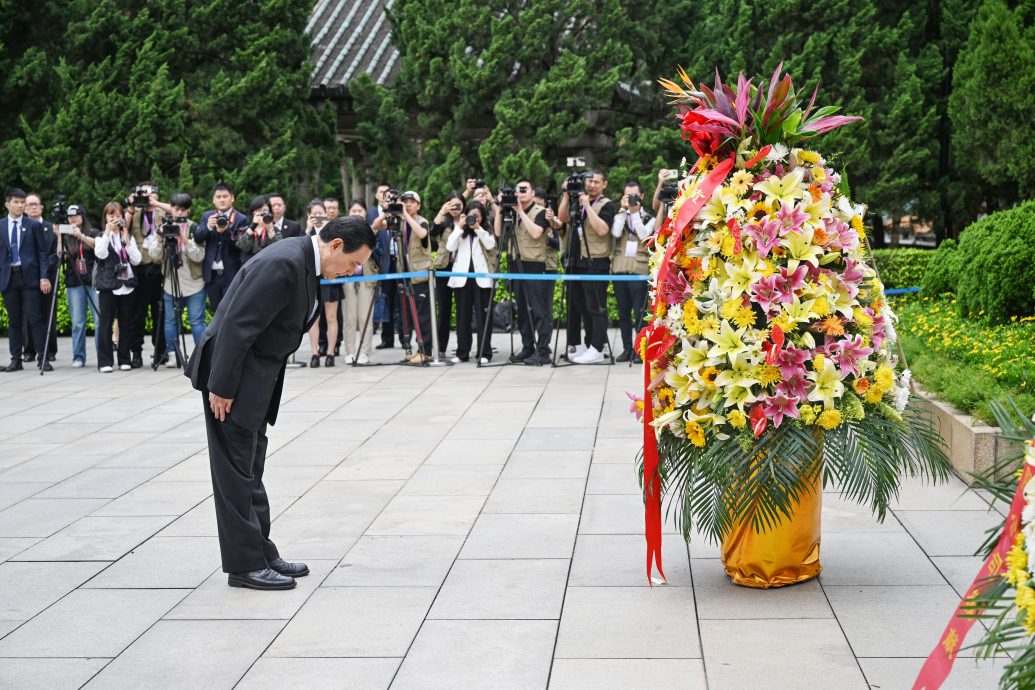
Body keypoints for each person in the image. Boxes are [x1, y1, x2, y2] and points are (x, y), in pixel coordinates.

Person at [185, 216, 375, 590]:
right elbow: (238, 325)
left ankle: (261, 550)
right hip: (233, 380)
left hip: (255, 379)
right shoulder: (284, 263)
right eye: (354, 262)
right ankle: (245, 565)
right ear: (335, 245)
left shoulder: (306, 263)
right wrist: (221, 387)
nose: (353, 270)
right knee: (235, 474)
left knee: (251, 467)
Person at [493, 180, 554, 366]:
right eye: (517, 190)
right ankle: (527, 347)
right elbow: (497, 232)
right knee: (522, 310)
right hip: (515, 264)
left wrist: (520, 211)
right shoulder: (509, 212)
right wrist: (500, 209)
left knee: (539, 310)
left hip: (534, 265)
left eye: (524, 189)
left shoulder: (541, 212)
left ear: (532, 192)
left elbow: (537, 233)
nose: (520, 193)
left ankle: (543, 351)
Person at [558, 169, 615, 364]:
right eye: (589, 181)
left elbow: (602, 230)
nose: (592, 185)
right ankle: (589, 344)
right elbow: (563, 219)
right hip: (575, 260)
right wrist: (566, 197)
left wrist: (587, 206)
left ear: (604, 184)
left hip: (596, 261)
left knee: (596, 306)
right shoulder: (577, 200)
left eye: (597, 182)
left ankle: (598, 348)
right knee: (581, 306)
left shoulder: (606, 205)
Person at [372, 191, 432, 363]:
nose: (409, 204)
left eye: (412, 202)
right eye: (405, 202)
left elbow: (422, 234)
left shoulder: (422, 221)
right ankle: (410, 348)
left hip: (419, 273)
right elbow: (376, 226)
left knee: (422, 315)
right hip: (402, 271)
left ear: (419, 206)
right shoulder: (396, 221)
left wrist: (405, 214)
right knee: (406, 313)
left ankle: (426, 351)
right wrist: (387, 211)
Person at [148, 193, 206, 368]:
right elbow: (154, 256)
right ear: (171, 208)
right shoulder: (163, 228)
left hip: (194, 283)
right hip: (170, 283)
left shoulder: (195, 228)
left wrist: (184, 239)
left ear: (188, 211)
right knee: (170, 321)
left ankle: (201, 355)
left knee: (197, 321)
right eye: (176, 208)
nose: (179, 212)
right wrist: (159, 239)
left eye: (183, 209)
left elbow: (199, 256)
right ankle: (173, 354)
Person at [0, 188, 50, 372]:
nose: (21, 205)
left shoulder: (33, 225)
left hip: (29, 277)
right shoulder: (1, 226)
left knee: (35, 318)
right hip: (8, 277)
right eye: (17, 202)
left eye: (23, 202)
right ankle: (16, 360)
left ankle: (42, 358)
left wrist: (44, 276)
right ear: (7, 204)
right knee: (14, 321)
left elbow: (41, 253)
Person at [94, 201, 143, 373]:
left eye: (118, 215)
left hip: (127, 285)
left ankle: (124, 358)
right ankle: (105, 361)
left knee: (126, 323)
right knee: (106, 324)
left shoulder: (128, 236)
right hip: (108, 286)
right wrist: (108, 231)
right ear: (105, 218)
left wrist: (127, 240)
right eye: (111, 215)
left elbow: (137, 260)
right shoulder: (101, 236)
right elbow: (100, 253)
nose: (115, 218)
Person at [124, 182, 167, 368]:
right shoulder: (135, 213)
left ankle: (160, 352)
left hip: (158, 268)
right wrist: (131, 207)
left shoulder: (162, 212)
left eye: (150, 194)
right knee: (137, 315)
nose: (146, 197)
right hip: (139, 268)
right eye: (142, 194)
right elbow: (122, 228)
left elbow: (177, 211)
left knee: (160, 314)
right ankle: (137, 353)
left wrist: (155, 204)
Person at [611, 181, 655, 363]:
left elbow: (644, 235)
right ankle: (626, 349)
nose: (631, 199)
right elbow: (615, 232)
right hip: (620, 269)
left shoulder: (648, 218)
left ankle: (639, 350)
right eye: (627, 195)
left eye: (634, 196)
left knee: (640, 313)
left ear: (642, 196)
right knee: (623, 313)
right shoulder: (620, 215)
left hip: (639, 270)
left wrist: (635, 213)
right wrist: (623, 211)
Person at [447, 201, 495, 363]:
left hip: (482, 278)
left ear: (482, 217)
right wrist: (460, 227)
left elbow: (490, 244)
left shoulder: (485, 230)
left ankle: (484, 353)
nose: (474, 218)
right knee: (462, 317)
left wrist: (478, 228)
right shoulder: (460, 231)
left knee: (483, 317)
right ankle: (462, 352)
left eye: (477, 216)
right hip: (462, 278)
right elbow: (449, 246)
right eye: (471, 215)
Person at [195, 183, 247, 312]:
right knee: (215, 311)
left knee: (230, 311)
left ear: (232, 198)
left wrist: (226, 231)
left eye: (225, 196)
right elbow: (198, 238)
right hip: (212, 274)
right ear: (213, 200)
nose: (222, 199)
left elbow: (240, 245)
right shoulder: (207, 216)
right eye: (218, 197)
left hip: (231, 273)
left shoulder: (241, 219)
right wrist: (208, 227)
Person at [61, 205, 100, 368]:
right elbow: (59, 257)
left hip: (93, 280)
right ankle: (78, 356)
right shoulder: (65, 235)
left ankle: (102, 355)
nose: (73, 219)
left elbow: (98, 247)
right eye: (69, 217)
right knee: (78, 322)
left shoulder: (93, 232)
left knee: (100, 319)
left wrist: (80, 236)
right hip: (74, 281)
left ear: (83, 216)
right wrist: (59, 237)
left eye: (76, 215)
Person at [340, 199, 379, 364]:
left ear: (365, 213)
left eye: (360, 211)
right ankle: (349, 351)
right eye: (353, 211)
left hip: (366, 278)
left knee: (365, 318)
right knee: (349, 318)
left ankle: (365, 352)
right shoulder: (341, 232)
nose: (357, 214)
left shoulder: (371, 232)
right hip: (347, 278)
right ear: (349, 213)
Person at [302, 200, 340, 367]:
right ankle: (314, 353)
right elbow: (302, 250)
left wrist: (326, 227)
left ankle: (331, 352)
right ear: (309, 215)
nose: (318, 217)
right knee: (314, 319)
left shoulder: (333, 230)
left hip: (330, 277)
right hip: (313, 279)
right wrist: (308, 229)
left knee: (331, 317)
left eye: (320, 213)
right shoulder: (305, 231)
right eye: (314, 214)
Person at [22, 193, 58, 364]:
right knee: (29, 315)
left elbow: (53, 254)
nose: (33, 207)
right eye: (29, 205)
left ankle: (49, 350)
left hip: (48, 276)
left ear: (42, 207)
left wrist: (43, 271)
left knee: (47, 314)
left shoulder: (51, 228)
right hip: (27, 277)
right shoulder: (20, 227)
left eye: (36, 204)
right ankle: (29, 349)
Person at [430, 192, 465, 359]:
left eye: (458, 205)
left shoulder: (468, 221)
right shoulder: (444, 221)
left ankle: (462, 349)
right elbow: (432, 232)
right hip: (444, 266)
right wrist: (442, 212)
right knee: (443, 310)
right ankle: (441, 347)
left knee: (462, 310)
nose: (455, 208)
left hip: (462, 267)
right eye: (452, 205)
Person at [236, 195, 279, 262]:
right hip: (248, 267)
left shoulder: (275, 230)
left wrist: (270, 230)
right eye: (258, 210)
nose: (262, 213)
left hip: (267, 265)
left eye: (265, 210)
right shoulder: (244, 229)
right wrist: (252, 226)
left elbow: (278, 250)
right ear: (253, 212)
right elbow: (243, 247)